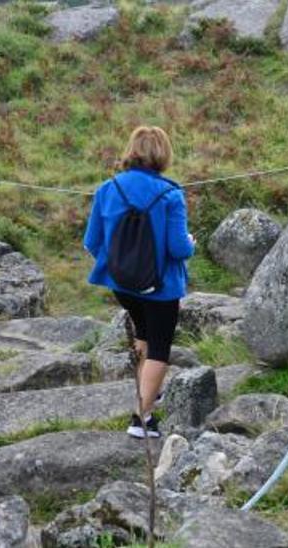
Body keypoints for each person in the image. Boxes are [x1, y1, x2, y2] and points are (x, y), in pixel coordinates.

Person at [84, 126, 195, 439]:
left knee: (143, 332)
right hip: (161, 288)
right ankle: (141, 418)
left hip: (123, 286)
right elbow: (178, 248)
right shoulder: (171, 194)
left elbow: (92, 242)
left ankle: (148, 389)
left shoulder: (108, 189)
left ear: (132, 150)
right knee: (160, 345)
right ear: (163, 153)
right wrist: (191, 242)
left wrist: (123, 264)